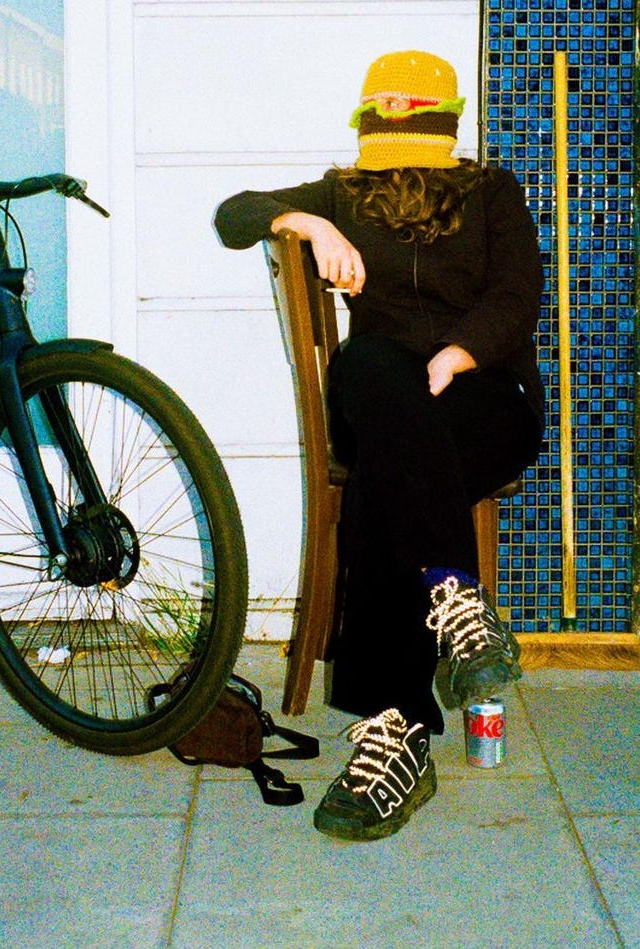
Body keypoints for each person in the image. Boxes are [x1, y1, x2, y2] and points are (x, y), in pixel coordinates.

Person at [214, 50, 544, 841]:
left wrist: (458, 353)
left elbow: (517, 295)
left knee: (379, 481)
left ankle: (394, 738)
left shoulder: (493, 190)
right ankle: (455, 604)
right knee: (366, 363)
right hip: (387, 398)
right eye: (383, 101)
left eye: (409, 102)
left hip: (489, 401)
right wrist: (308, 220)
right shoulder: (343, 193)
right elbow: (232, 213)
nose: (394, 112)